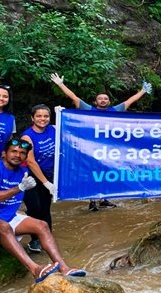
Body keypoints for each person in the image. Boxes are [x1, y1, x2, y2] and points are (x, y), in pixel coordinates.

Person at [0, 139, 86, 283]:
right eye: (13, 151)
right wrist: (19, 188)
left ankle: (64, 268)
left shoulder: (23, 172)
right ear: (4, 153)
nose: (17, 155)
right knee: (4, 227)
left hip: (3, 213)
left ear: (26, 157)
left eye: (22, 153)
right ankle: (35, 269)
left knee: (42, 225)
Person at [50, 72, 152, 209]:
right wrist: (61, 84)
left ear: (109, 102)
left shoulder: (115, 111)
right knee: (92, 174)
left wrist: (143, 91)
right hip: (91, 150)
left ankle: (104, 198)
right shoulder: (88, 110)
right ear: (95, 102)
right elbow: (74, 97)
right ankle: (92, 201)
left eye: (105, 99)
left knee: (106, 173)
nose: (103, 100)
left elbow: (130, 101)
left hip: (109, 150)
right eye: (100, 99)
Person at [21, 104, 57, 253]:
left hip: (48, 174)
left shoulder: (54, 129)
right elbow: (30, 161)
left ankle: (47, 237)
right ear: (32, 118)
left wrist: (61, 114)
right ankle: (35, 240)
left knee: (45, 208)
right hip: (29, 176)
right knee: (34, 208)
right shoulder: (27, 136)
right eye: (39, 116)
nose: (43, 119)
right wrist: (46, 183)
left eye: (46, 116)